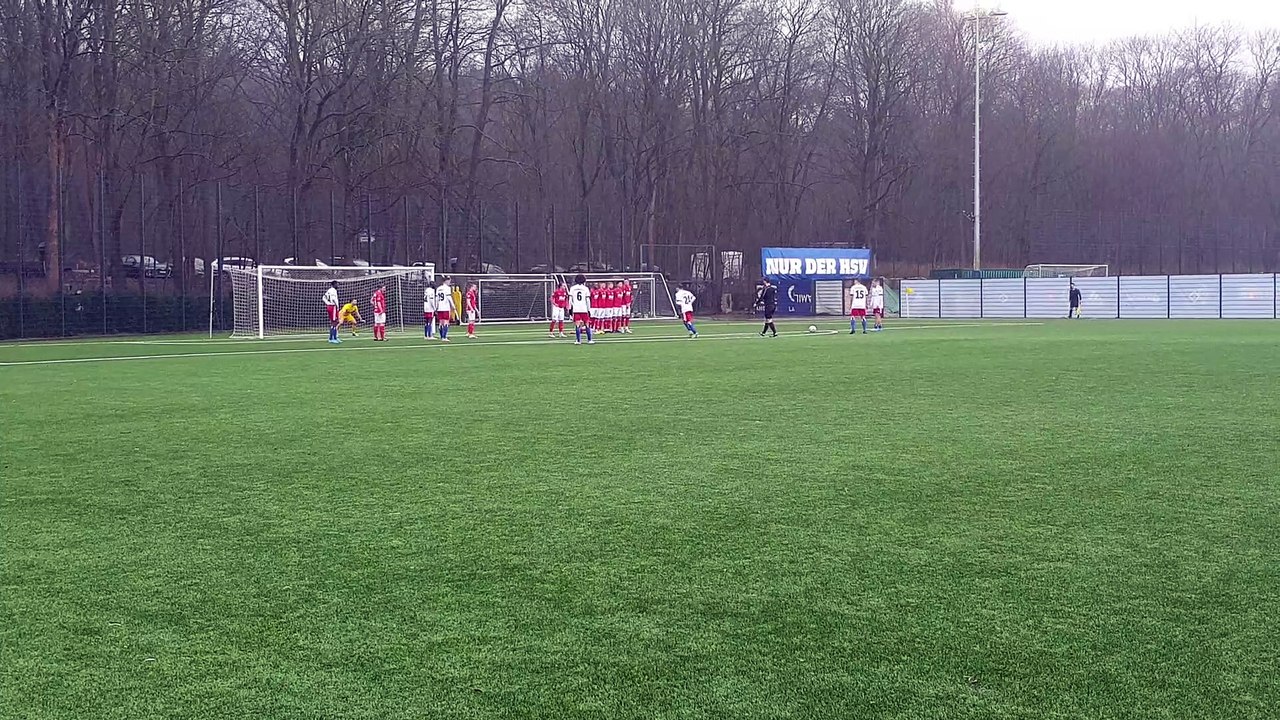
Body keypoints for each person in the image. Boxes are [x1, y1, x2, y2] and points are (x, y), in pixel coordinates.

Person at [569, 274, 595, 345]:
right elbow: (588, 300)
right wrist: (589, 309)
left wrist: (570, 308)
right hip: (584, 309)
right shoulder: (585, 288)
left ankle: (578, 340)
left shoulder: (572, 288)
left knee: (577, 324)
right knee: (587, 324)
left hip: (576, 309)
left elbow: (570, 300)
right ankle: (589, 340)